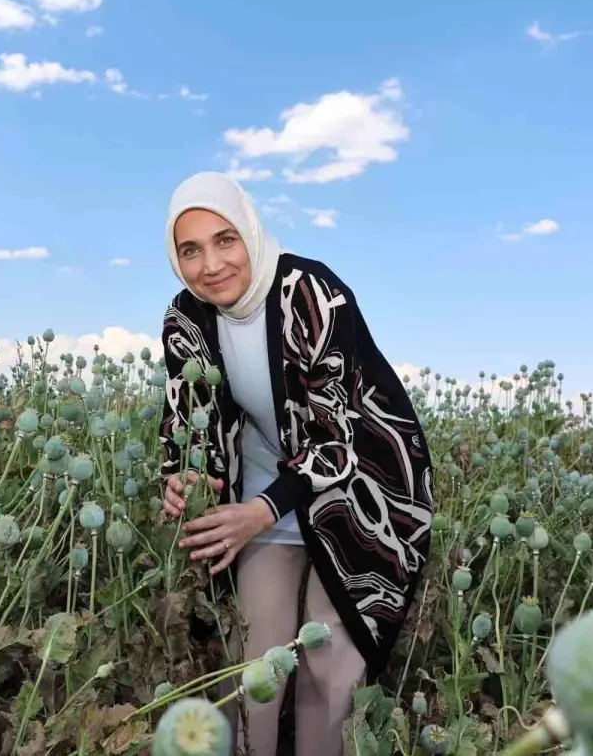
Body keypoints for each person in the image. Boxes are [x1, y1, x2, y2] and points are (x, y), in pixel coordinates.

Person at [158, 171, 435, 756]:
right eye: (191, 250)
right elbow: (188, 420)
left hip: (364, 484)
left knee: (326, 661)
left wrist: (258, 513)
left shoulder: (309, 291)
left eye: (224, 240)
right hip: (264, 479)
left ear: (251, 233)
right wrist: (184, 476)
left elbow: (338, 438)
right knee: (258, 665)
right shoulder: (185, 316)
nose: (211, 264)